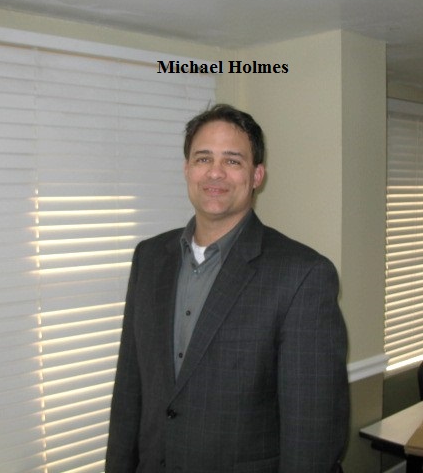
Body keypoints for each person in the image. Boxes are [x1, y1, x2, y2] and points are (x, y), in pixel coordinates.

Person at [106, 104, 349, 472]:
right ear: (187, 169)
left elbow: (312, 434)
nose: (215, 172)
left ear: (257, 175)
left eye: (233, 161)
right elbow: (129, 389)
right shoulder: (149, 258)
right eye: (203, 158)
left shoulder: (303, 275)